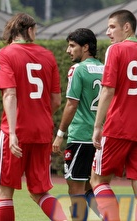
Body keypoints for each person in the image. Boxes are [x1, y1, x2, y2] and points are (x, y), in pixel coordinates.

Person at [0, 12, 67, 221]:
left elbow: (9, 94)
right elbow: (56, 100)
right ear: (29, 30)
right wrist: (39, 116)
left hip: (15, 131)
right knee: (39, 191)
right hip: (42, 131)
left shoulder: (4, 54)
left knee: (5, 191)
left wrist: (14, 133)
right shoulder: (48, 55)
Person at [91, 9, 137, 220]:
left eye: (112, 26)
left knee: (98, 180)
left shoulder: (115, 50)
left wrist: (97, 126)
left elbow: (108, 90)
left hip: (118, 126)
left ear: (127, 27)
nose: (108, 32)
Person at [52, 28, 103, 221]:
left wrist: (60, 133)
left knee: (75, 189)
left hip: (81, 135)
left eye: (72, 46)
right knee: (90, 186)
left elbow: (72, 103)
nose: (68, 50)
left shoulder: (78, 70)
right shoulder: (106, 68)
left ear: (86, 47)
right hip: (99, 137)